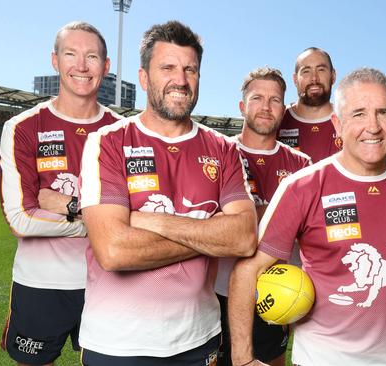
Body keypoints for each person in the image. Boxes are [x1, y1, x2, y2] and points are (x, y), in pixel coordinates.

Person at [229, 67, 386, 366]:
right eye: (359, 114)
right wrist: (242, 359)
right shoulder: (302, 186)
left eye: (383, 113)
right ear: (337, 124)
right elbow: (246, 272)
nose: (373, 126)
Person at [78, 21, 257, 365]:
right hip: (117, 342)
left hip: (198, 337)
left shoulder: (222, 148)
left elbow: (244, 238)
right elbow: (114, 251)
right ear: (144, 78)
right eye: (168, 68)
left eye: (190, 69)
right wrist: (210, 232)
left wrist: (150, 221)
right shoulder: (108, 142)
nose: (181, 80)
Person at [0, 21, 118, 366]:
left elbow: (137, 214)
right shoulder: (22, 127)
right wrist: (94, 222)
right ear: (55, 61)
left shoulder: (122, 133)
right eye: (71, 54)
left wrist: (68, 205)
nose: (81, 66)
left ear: (105, 67)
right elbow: (21, 219)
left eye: (91, 56)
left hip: (108, 281)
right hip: (40, 282)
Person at [215, 66, 311, 366]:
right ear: (243, 106)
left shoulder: (302, 164)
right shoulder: (219, 152)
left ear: (284, 109)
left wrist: (251, 215)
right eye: (258, 98)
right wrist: (280, 214)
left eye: (275, 100)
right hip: (219, 290)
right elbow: (211, 221)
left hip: (276, 291)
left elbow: (308, 229)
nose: (266, 107)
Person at [276, 47, 342, 162]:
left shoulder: (349, 120)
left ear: (333, 76)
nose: (314, 78)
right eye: (306, 71)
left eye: (321, 70)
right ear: (295, 79)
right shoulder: (276, 120)